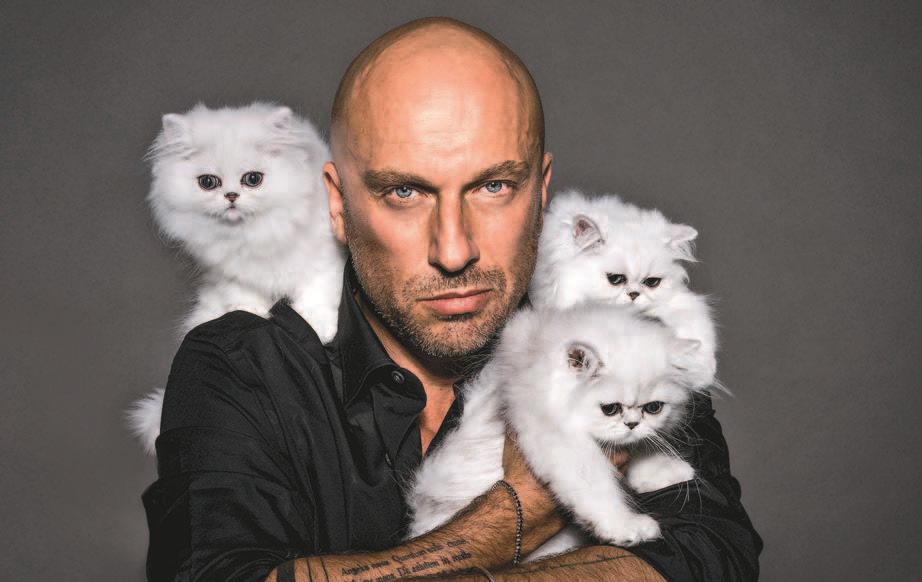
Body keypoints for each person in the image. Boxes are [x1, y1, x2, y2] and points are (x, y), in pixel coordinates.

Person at [143, 17, 762, 582]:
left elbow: (710, 554)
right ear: (338, 204)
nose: (454, 249)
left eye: (493, 186)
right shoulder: (244, 367)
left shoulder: (624, 341)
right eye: (405, 192)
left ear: (541, 193)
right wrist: (512, 514)